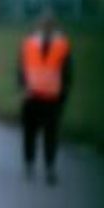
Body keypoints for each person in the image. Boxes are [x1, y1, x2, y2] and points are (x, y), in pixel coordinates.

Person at [18, 12, 72, 186]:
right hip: (31, 96)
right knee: (29, 133)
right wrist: (22, 87)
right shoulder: (29, 43)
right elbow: (21, 68)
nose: (46, 29)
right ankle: (29, 164)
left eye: (49, 26)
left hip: (52, 97)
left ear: (54, 27)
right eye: (43, 25)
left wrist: (63, 95)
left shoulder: (62, 45)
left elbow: (67, 73)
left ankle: (49, 167)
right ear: (38, 27)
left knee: (50, 135)